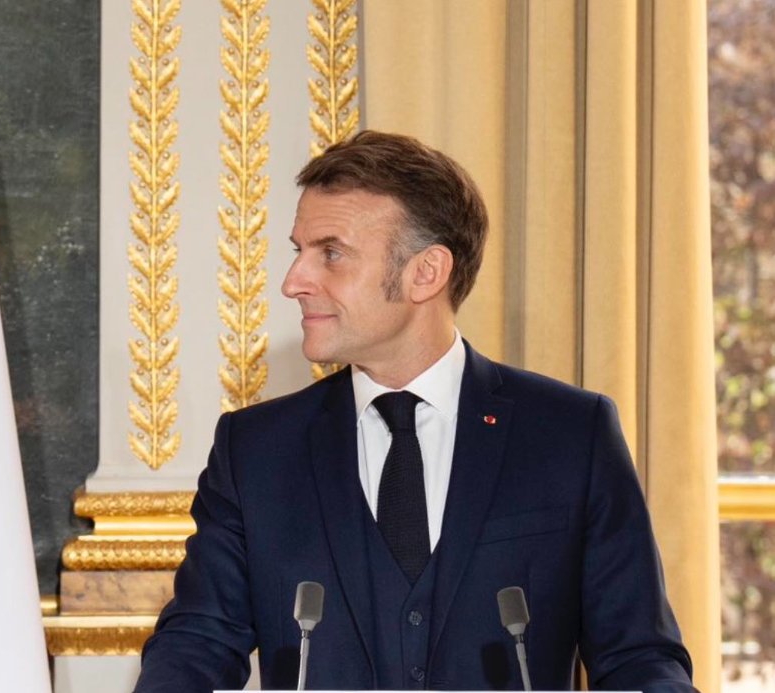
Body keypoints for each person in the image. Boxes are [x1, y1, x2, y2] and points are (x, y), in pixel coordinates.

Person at [134, 131, 697, 692]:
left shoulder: (571, 434)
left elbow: (639, 660)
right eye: (298, 251)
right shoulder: (254, 449)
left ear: (426, 272)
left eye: (330, 253)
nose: (293, 282)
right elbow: (198, 643)